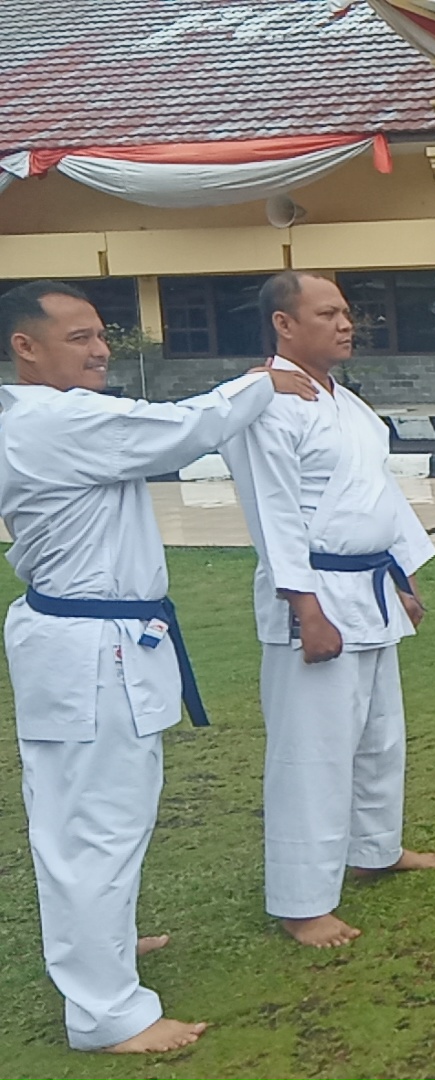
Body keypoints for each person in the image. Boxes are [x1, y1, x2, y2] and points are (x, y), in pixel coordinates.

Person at [0, 280, 317, 1053]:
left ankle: (100, 944)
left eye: (100, 332)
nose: (101, 347)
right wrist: (259, 382)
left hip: (89, 643)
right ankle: (107, 1013)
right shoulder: (54, 418)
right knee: (94, 826)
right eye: (79, 337)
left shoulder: (42, 416)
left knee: (93, 818)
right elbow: (181, 431)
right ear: (26, 347)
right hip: (87, 652)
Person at [221, 272, 435, 950]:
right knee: (312, 752)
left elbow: (375, 493)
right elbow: (274, 515)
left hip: (369, 586)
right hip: (315, 591)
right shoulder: (263, 402)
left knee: (379, 736)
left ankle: (374, 848)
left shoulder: (343, 401)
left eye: (347, 312)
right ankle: (301, 900)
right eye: (328, 313)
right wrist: (305, 607)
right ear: (285, 324)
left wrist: (402, 574)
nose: (346, 323)